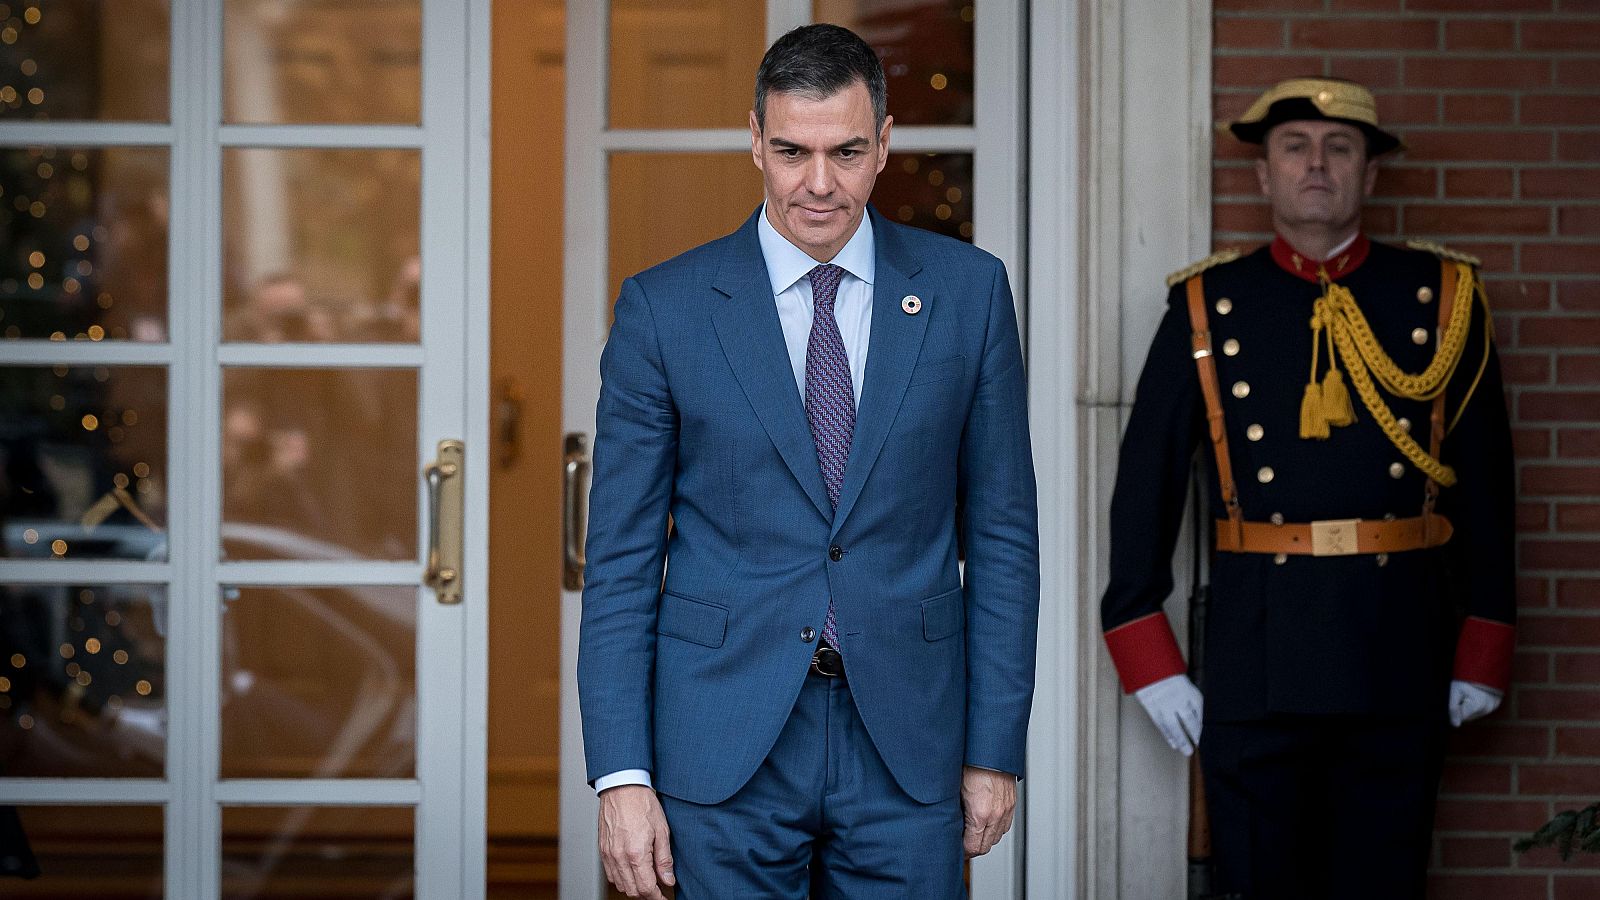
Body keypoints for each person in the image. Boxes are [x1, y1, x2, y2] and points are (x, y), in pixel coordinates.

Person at [578, 23, 1040, 900]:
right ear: (754, 140)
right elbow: (623, 562)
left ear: (884, 146)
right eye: (791, 150)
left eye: (846, 152)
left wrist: (994, 748)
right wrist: (622, 776)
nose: (818, 183)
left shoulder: (968, 293)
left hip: (908, 743)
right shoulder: (664, 308)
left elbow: (1005, 536)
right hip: (721, 741)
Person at [1100, 77, 1515, 897]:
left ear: (1369, 174)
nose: (1316, 165)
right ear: (1264, 175)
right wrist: (1146, 651)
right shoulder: (1206, 305)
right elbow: (1143, 487)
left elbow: (1491, 489)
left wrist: (1485, 641)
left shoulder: (1445, 299)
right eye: (1295, 147)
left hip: (1398, 648)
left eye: (1340, 148)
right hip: (1258, 660)